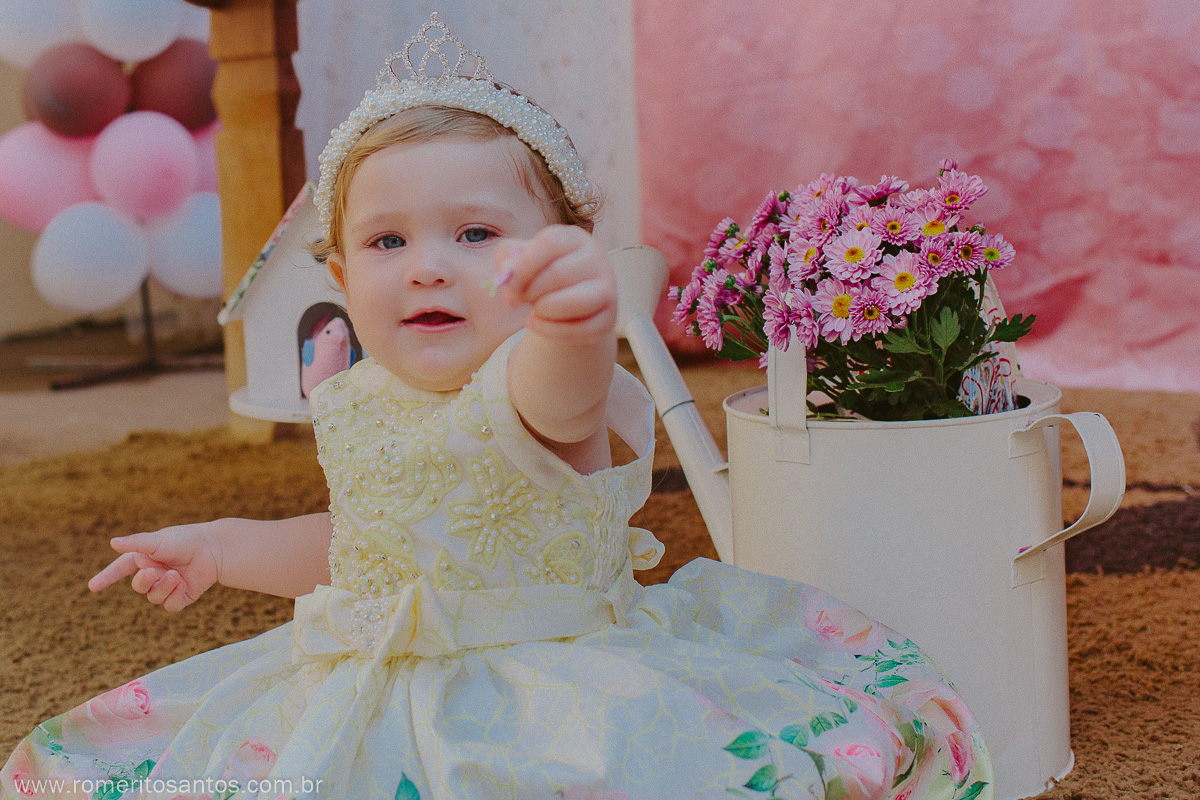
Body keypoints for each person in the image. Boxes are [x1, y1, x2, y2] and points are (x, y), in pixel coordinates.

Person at [2, 14, 994, 800]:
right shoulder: (358, 396)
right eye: (387, 242)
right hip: (377, 679)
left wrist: (577, 312)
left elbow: (565, 386)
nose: (429, 264)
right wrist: (222, 547)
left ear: (554, 254)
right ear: (341, 276)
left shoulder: (532, 381)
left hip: (554, 692)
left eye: (477, 233)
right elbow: (364, 547)